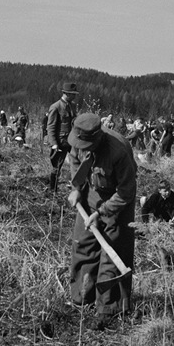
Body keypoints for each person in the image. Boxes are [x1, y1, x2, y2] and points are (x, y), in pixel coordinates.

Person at [67, 112, 137, 330]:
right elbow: (75, 163)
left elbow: (126, 192)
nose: (82, 147)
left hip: (117, 204)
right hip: (90, 197)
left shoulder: (119, 150)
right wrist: (77, 189)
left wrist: (103, 212)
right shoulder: (77, 140)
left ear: (97, 139)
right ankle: (81, 297)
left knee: (112, 253)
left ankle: (108, 309)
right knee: (83, 245)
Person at [47, 82, 79, 192]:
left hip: (73, 141)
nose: (74, 96)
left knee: (78, 164)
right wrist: (54, 144)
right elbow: (50, 127)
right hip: (61, 142)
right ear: (66, 93)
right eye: (73, 94)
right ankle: (53, 190)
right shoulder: (56, 107)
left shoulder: (73, 106)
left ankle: (77, 189)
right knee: (56, 167)